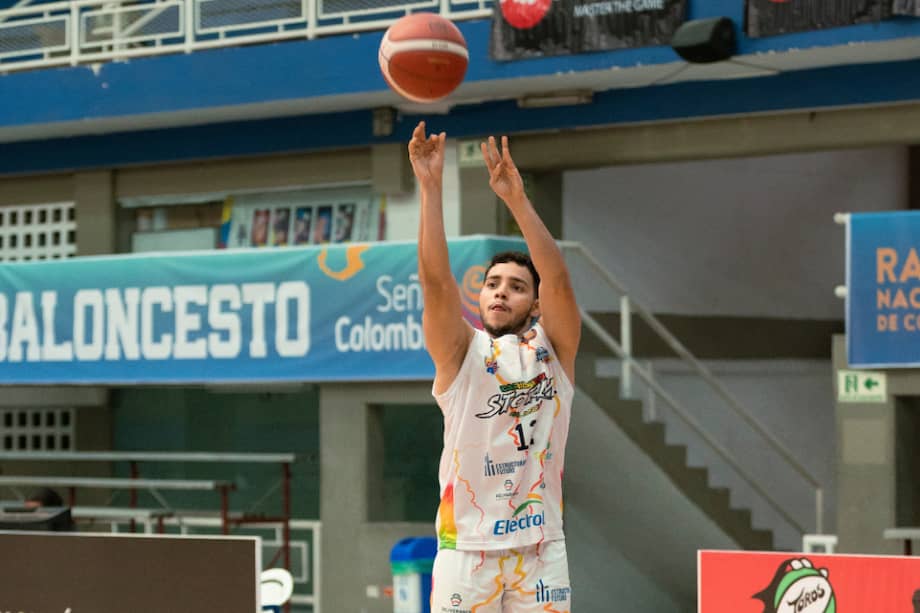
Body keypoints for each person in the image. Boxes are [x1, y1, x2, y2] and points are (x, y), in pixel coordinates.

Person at [410, 121, 580, 612]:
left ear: (535, 306)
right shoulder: (462, 352)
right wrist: (429, 186)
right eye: (492, 282)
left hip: (541, 547)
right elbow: (437, 285)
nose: (501, 289)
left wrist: (517, 200)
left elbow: (561, 282)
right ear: (480, 297)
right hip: (467, 549)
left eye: (517, 285)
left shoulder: (556, 350)